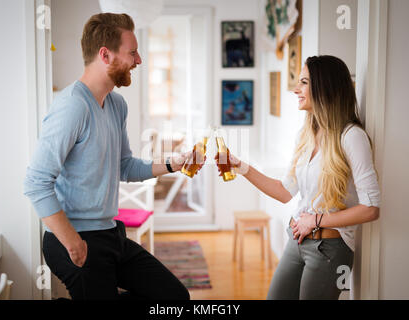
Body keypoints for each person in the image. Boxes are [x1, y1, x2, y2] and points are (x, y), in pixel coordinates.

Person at [24, 13, 198, 300]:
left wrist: (171, 163)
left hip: (110, 233)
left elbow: (125, 166)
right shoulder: (72, 107)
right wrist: (73, 243)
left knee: (175, 297)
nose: (139, 60)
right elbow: (36, 182)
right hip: (74, 239)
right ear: (105, 55)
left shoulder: (116, 104)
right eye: (132, 52)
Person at [218, 55, 381, 300]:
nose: (296, 89)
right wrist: (240, 167)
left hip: (330, 250)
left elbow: (371, 209)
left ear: (324, 87)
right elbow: (285, 191)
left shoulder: (352, 137)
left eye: (303, 82)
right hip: (297, 242)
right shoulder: (305, 136)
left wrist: (316, 219)